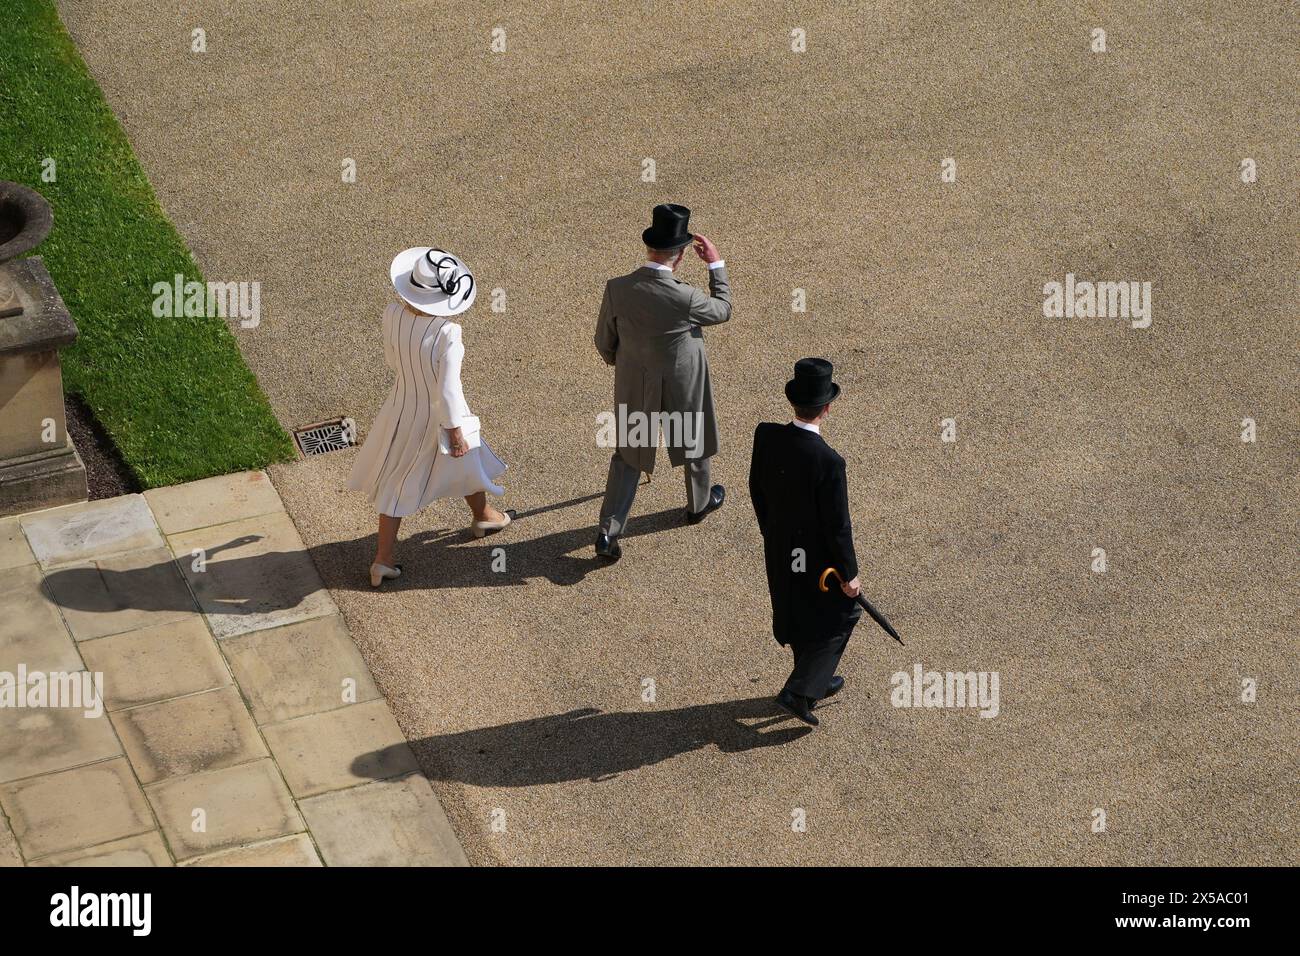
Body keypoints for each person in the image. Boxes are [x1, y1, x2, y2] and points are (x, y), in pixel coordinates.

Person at [347, 246, 513, 587]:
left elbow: (393, 362)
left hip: (399, 406)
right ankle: (382, 560)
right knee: (403, 482)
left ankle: (483, 516)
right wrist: (452, 430)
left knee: (459, 463)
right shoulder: (448, 333)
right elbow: (448, 389)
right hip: (436, 416)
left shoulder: (391, 314)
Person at [592, 203, 731, 561]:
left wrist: (618, 362)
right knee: (692, 442)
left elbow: (604, 341)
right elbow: (723, 309)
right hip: (681, 383)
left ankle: (608, 532)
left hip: (636, 382)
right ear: (681, 255)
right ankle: (698, 504)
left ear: (649, 247)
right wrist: (716, 265)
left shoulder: (618, 287)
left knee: (628, 456)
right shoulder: (686, 297)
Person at [748, 358, 862, 727]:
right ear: (827, 407)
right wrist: (849, 573)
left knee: (797, 610)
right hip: (816, 561)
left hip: (779, 547)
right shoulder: (829, 462)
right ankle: (799, 691)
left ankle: (815, 677)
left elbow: (757, 490)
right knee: (845, 614)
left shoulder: (765, 436)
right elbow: (837, 526)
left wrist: (772, 531)